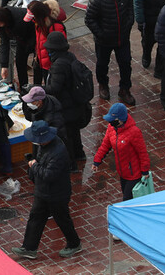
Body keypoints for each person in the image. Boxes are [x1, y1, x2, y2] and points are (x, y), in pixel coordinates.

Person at [11, 120, 82, 260]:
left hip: (57, 194)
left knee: (62, 219)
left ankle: (74, 244)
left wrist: (34, 166)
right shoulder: (45, 145)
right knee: (35, 218)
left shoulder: (58, 152)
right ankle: (29, 248)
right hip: (42, 191)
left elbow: (49, 175)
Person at [85, 0, 135, 106]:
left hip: (122, 39)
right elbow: (89, 19)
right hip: (104, 41)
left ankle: (125, 89)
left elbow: (130, 10)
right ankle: (103, 85)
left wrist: (128, 25)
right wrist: (101, 34)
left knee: (125, 64)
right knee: (102, 64)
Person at [42, 31, 87, 165]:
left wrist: (37, 88)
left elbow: (54, 88)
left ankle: (71, 164)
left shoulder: (58, 65)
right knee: (75, 132)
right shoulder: (69, 57)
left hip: (66, 106)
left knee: (66, 137)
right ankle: (80, 154)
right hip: (76, 103)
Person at [92, 103, 150, 201]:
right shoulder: (111, 128)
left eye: (113, 121)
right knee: (127, 196)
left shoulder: (134, 132)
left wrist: (145, 171)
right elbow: (105, 145)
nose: (111, 123)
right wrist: (97, 161)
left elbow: (142, 152)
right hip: (122, 172)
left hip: (134, 174)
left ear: (121, 119)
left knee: (127, 199)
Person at [0, 6, 36, 92]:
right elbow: (4, 42)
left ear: (4, 20)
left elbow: (29, 37)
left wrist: (30, 48)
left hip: (33, 34)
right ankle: (24, 88)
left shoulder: (18, 19)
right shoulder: (1, 25)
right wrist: (4, 66)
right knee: (19, 62)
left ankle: (38, 88)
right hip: (21, 39)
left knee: (37, 64)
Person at [26, 0, 66, 85]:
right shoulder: (39, 23)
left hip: (50, 64)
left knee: (50, 86)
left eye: (34, 17)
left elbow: (61, 48)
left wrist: (52, 62)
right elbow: (39, 40)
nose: (33, 20)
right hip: (40, 60)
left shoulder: (55, 26)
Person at [21, 85, 66, 154]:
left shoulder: (53, 116)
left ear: (39, 101)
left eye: (31, 101)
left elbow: (57, 134)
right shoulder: (41, 105)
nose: (29, 104)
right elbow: (29, 117)